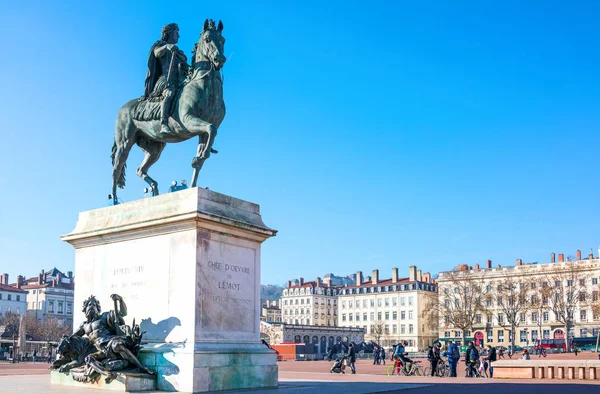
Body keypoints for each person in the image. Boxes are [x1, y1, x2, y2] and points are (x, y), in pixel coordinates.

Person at [144, 23, 189, 135]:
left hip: (179, 80)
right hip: (166, 79)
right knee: (169, 93)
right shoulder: (160, 45)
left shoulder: (179, 52)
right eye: (176, 33)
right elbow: (157, 53)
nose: (178, 36)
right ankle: (164, 123)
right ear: (168, 33)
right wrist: (167, 47)